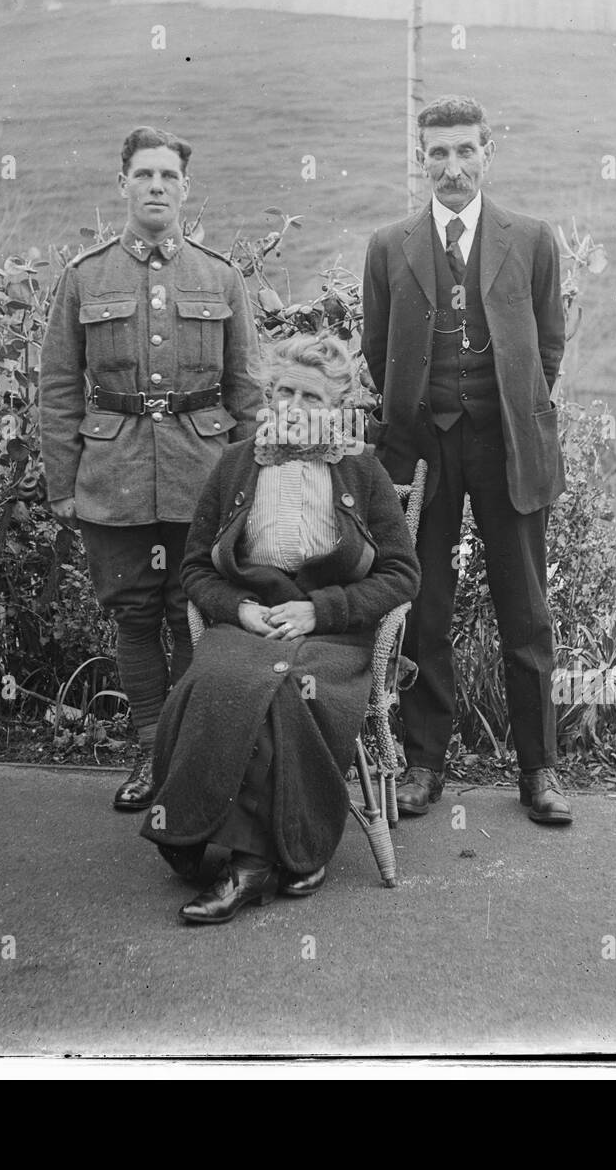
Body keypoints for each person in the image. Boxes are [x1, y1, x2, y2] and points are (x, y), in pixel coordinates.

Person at [137, 332, 422, 924]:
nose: (293, 406)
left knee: (288, 689)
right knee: (217, 680)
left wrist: (322, 610)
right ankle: (247, 842)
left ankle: (251, 865)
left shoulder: (362, 471)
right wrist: (238, 609)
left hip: (332, 634)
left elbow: (402, 575)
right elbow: (194, 567)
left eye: (311, 397)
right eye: (283, 391)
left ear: (337, 407)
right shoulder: (237, 463)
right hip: (250, 621)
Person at [361, 95, 572, 824]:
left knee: (526, 610)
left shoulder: (533, 240)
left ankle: (539, 770)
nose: (452, 168)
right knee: (425, 607)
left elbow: (548, 348)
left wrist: (509, 406)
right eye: (438, 154)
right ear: (422, 159)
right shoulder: (390, 247)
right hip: (424, 450)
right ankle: (423, 764)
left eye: (465, 151)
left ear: (488, 153)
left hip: (507, 444)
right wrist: (421, 413)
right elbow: (375, 348)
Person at [39, 125, 262, 810]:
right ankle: (147, 751)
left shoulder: (220, 276)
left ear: (185, 189)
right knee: (135, 615)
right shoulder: (84, 277)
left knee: (192, 612)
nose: (157, 186)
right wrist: (64, 485)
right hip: (114, 477)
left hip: (204, 473)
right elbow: (57, 390)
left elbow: (246, 390)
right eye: (145, 175)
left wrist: (253, 483)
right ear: (123, 186)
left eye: (169, 176)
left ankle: (191, 756)